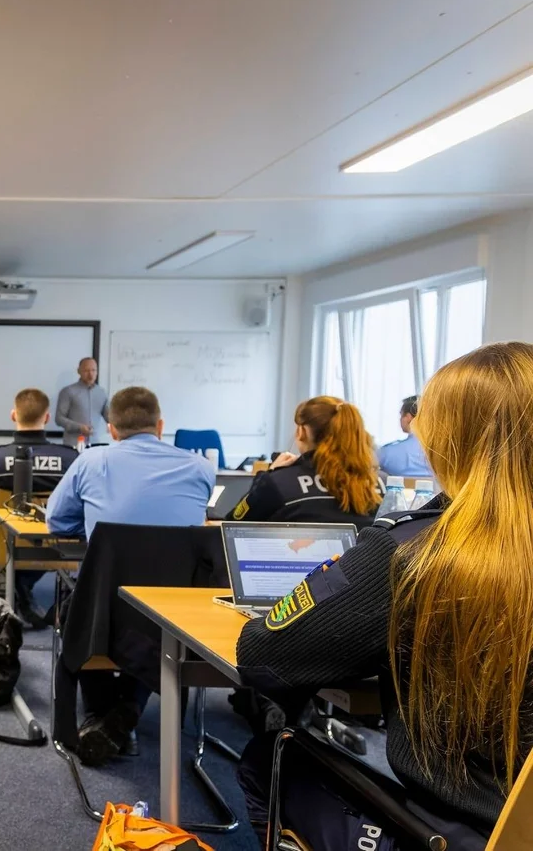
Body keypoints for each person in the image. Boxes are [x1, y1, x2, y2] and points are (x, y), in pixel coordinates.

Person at [235, 343, 533, 849]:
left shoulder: (413, 550)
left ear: (445, 441)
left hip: (462, 836)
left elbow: (264, 656)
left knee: (270, 757)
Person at [46, 386, 214, 762]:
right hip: (176, 619)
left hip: (104, 614)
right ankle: (129, 709)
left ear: (112, 429)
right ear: (161, 426)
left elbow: (55, 520)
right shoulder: (201, 467)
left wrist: (93, 527)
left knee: (80, 600)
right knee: (152, 619)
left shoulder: (92, 461)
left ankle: (100, 713)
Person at [0, 388, 79, 626]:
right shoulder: (70, 458)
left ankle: (13, 585)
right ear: (47, 418)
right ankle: (24, 585)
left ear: (14, 415)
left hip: (4, 546)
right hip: (59, 547)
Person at [228, 396, 382, 529]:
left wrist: (269, 474)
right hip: (365, 556)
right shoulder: (381, 483)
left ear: (302, 432)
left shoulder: (279, 483)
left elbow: (233, 524)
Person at [55, 357, 108, 447]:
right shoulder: (68, 391)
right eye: (86, 371)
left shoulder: (102, 392)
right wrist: (79, 427)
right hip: (73, 444)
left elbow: (109, 416)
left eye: (93, 370)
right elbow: (59, 418)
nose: (90, 374)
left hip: (95, 444)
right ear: (79, 371)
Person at [378, 394, 433, 478]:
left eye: (401, 415)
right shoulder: (439, 453)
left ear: (408, 417)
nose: (400, 419)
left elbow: (367, 463)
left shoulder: (387, 453)